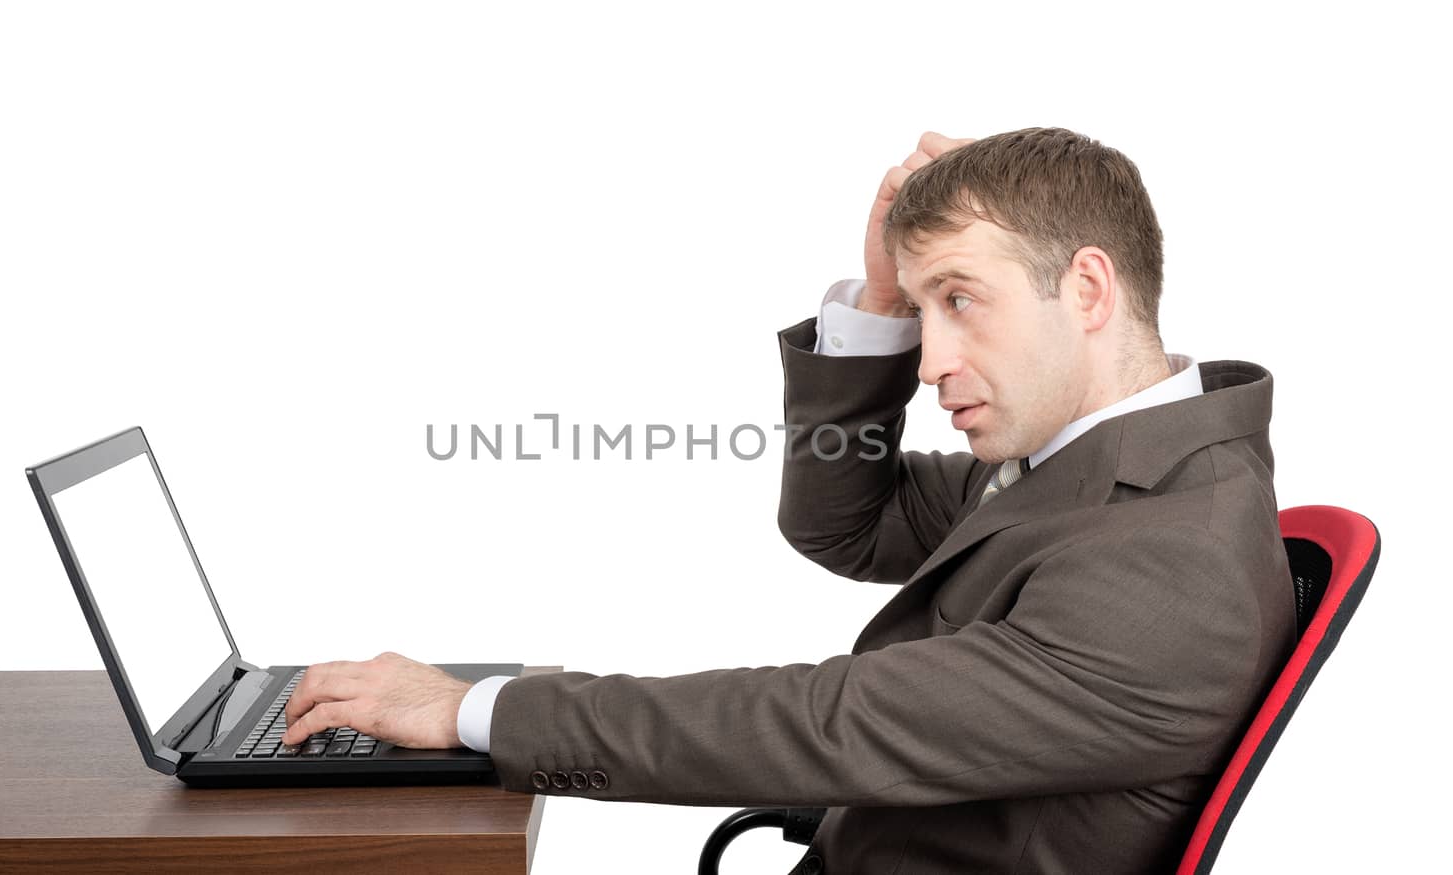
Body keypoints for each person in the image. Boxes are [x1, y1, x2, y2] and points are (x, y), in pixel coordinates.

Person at [279, 126, 1297, 872]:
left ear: (1084, 288)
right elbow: (844, 522)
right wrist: (879, 310)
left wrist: (472, 709)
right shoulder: (1098, 470)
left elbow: (825, 721)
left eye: (960, 300)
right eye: (921, 311)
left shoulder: (1166, 559)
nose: (930, 361)